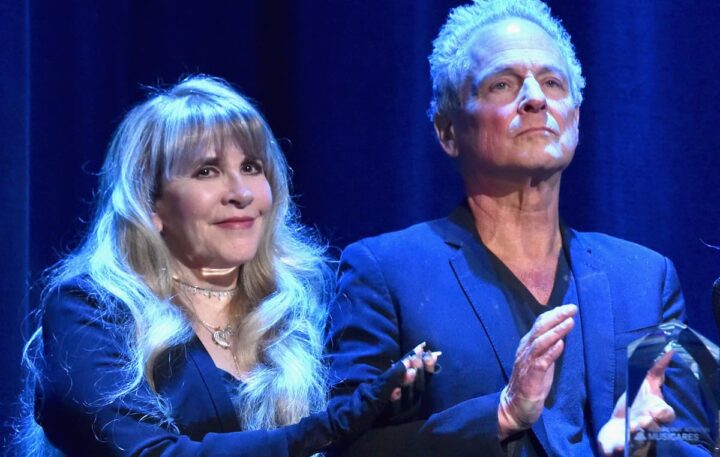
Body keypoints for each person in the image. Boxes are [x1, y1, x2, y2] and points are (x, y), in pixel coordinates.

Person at [325, 1, 711, 456]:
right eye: (502, 84)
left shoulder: (646, 278)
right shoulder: (386, 273)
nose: (535, 98)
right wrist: (501, 415)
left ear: (575, 118)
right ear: (448, 131)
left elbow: (691, 441)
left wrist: (640, 448)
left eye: (552, 83)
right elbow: (348, 445)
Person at [11, 75, 438, 456]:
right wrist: (332, 427)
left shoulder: (310, 303)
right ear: (150, 204)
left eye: (251, 167)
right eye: (206, 171)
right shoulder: (90, 310)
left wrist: (393, 411)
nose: (241, 193)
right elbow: (149, 453)